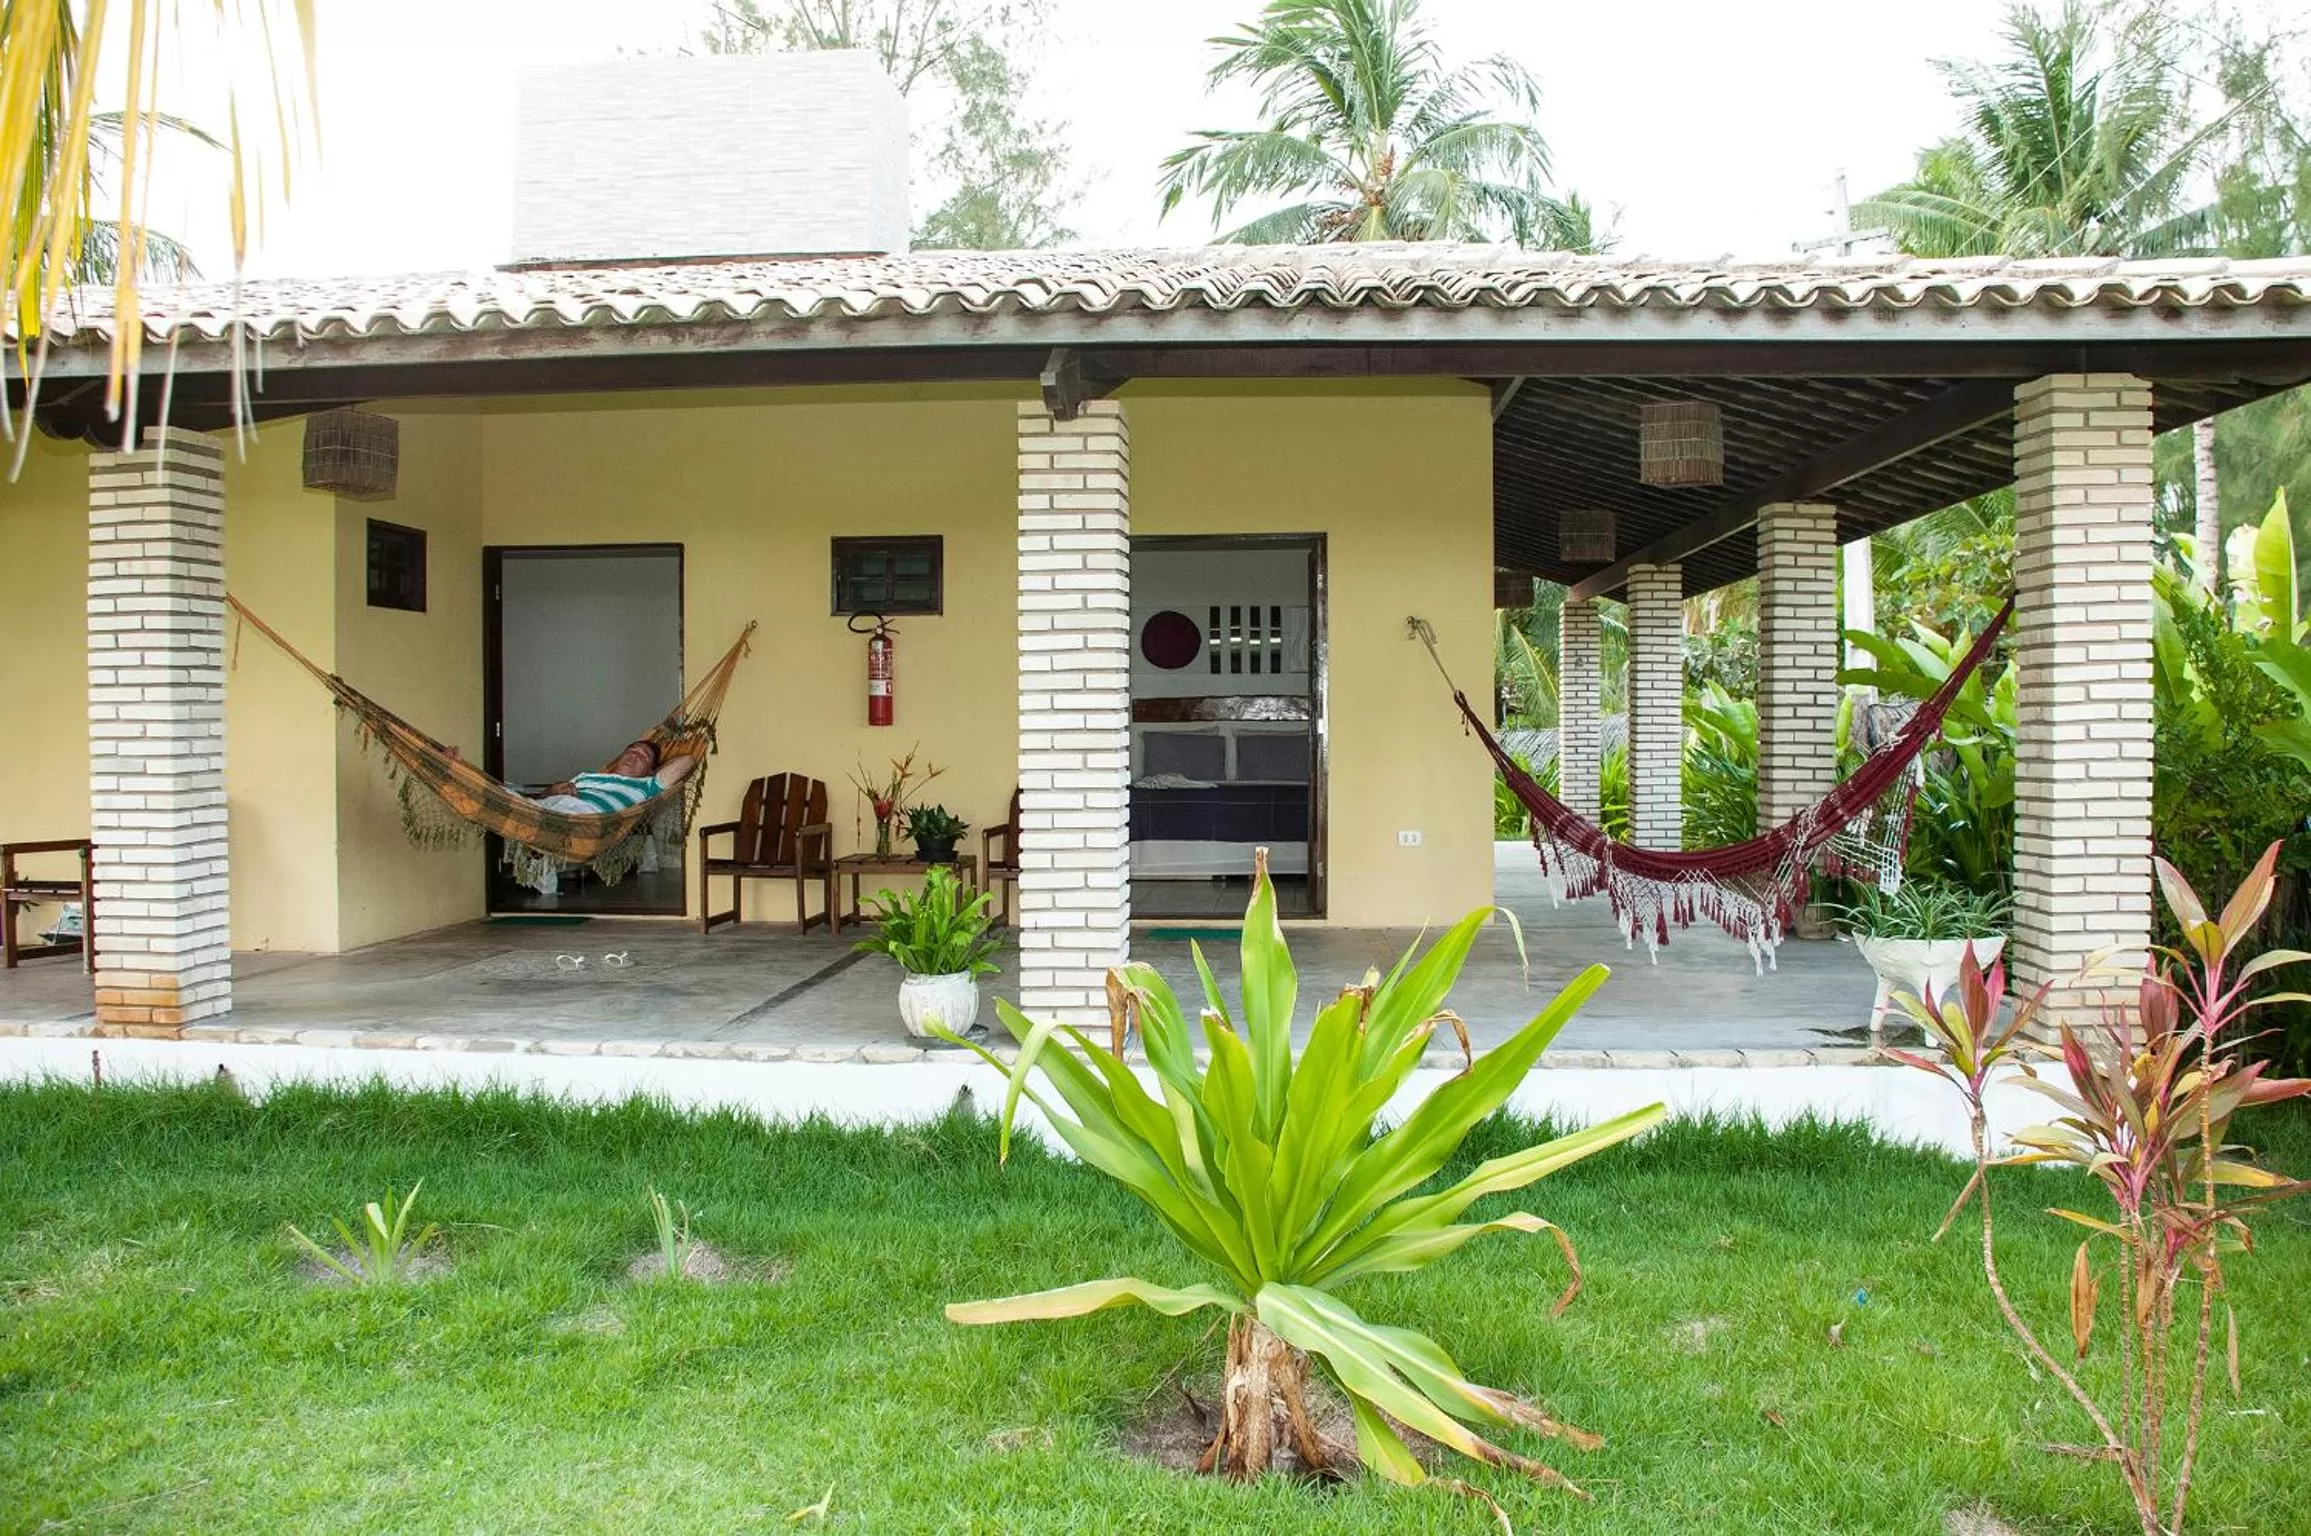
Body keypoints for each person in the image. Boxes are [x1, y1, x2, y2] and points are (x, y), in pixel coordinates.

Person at [529, 739, 698, 816]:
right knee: (513, 799)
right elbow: (544, 797)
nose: (634, 757)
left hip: (584, 818)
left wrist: (655, 773)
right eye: (631, 751)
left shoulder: (645, 785)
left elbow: (687, 760)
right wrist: (555, 790)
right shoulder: (586, 776)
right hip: (550, 807)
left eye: (643, 757)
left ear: (650, 770)